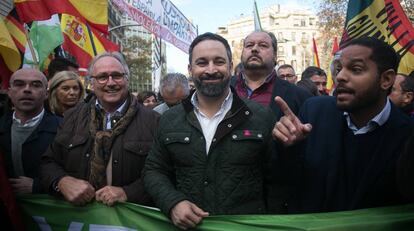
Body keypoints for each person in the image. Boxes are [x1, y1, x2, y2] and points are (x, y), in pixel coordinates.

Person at [144, 32, 274, 229]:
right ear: (190, 69)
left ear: (231, 67)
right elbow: (154, 170)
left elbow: (278, 180)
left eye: (219, 62)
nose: (211, 70)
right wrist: (172, 202)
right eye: (202, 62)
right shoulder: (170, 120)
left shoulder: (260, 117)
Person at [273, 37, 414, 213]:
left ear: (386, 79)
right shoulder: (314, 112)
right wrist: (289, 146)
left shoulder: (407, 135)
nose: (339, 77)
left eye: (355, 69)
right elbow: (288, 182)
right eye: (339, 68)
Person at [40, 52, 160, 206]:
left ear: (127, 79)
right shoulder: (71, 118)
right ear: (91, 83)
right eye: (102, 77)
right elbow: (48, 162)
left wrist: (128, 192)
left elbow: (165, 171)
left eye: (116, 75)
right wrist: (62, 181)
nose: (110, 83)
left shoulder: (154, 121)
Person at [0, 68, 61, 194]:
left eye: (36, 85)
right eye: (19, 84)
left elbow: (75, 173)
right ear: (9, 92)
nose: (27, 89)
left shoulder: (64, 128)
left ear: (46, 94)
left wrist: (39, 186)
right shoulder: (2, 125)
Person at [233, 30, 311, 120]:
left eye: (263, 45)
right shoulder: (224, 88)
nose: (254, 49)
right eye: (249, 45)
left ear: (275, 56)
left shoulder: (300, 97)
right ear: (242, 53)